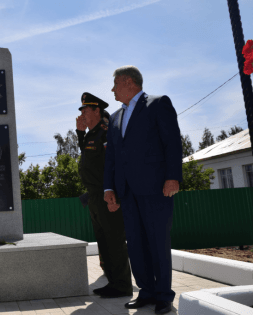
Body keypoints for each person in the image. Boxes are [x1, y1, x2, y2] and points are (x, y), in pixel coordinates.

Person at [103, 66, 182, 314]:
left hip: (155, 188)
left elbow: (173, 143)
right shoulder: (115, 117)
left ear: (128, 82)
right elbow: (112, 158)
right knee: (136, 244)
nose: (112, 89)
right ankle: (145, 291)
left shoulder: (158, 104)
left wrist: (173, 177)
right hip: (127, 191)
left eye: (115, 84)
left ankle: (163, 296)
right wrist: (109, 187)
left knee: (158, 241)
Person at [76, 92, 133, 298]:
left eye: (85, 110)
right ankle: (113, 282)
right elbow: (88, 157)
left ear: (97, 110)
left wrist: (114, 194)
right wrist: (80, 133)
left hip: (107, 195)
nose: (82, 114)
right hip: (94, 196)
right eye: (81, 111)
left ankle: (123, 285)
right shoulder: (93, 134)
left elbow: (116, 165)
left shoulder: (107, 132)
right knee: (104, 242)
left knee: (115, 242)